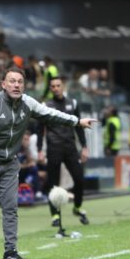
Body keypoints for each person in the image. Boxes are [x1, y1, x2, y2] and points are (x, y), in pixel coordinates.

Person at [0, 67, 96, 259]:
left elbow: (51, 114)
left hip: (10, 163)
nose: (16, 85)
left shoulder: (28, 103)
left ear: (24, 86)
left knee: (11, 207)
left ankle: (10, 252)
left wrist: (77, 121)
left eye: (20, 82)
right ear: (3, 84)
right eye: (12, 81)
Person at [37, 76, 90, 227]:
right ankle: (55, 215)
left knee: (79, 179)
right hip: (53, 148)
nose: (55, 88)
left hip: (71, 148)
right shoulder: (45, 105)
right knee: (53, 184)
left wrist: (84, 147)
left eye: (58, 85)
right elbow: (40, 129)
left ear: (63, 86)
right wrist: (40, 150)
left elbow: (79, 126)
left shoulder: (72, 103)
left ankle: (77, 208)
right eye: (52, 86)